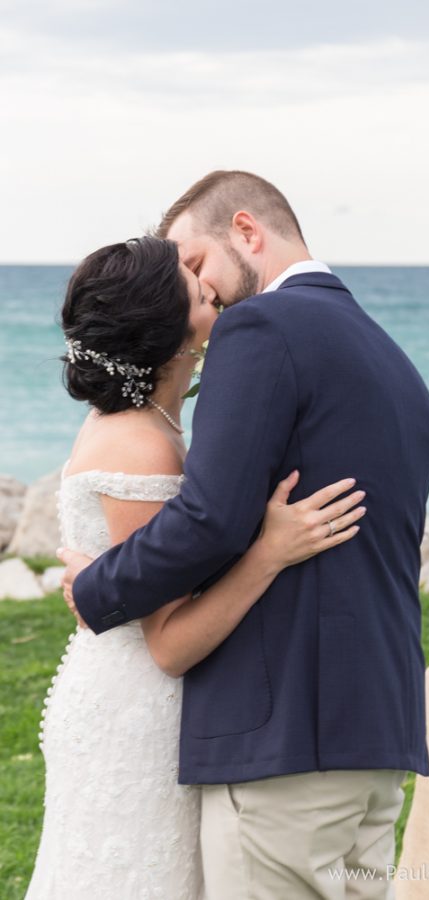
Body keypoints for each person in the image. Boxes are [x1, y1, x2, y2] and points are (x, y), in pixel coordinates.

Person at [60, 170, 429, 899]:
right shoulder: (390, 358)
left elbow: (211, 516)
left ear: (246, 230)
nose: (202, 296)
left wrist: (98, 586)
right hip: (377, 731)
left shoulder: (262, 326)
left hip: (284, 742)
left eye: (196, 265)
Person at [26, 236, 364, 899]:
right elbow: (170, 645)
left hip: (135, 698)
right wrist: (271, 550)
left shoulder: (146, 427)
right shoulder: (142, 448)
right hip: (138, 715)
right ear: (170, 326)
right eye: (190, 276)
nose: (207, 278)